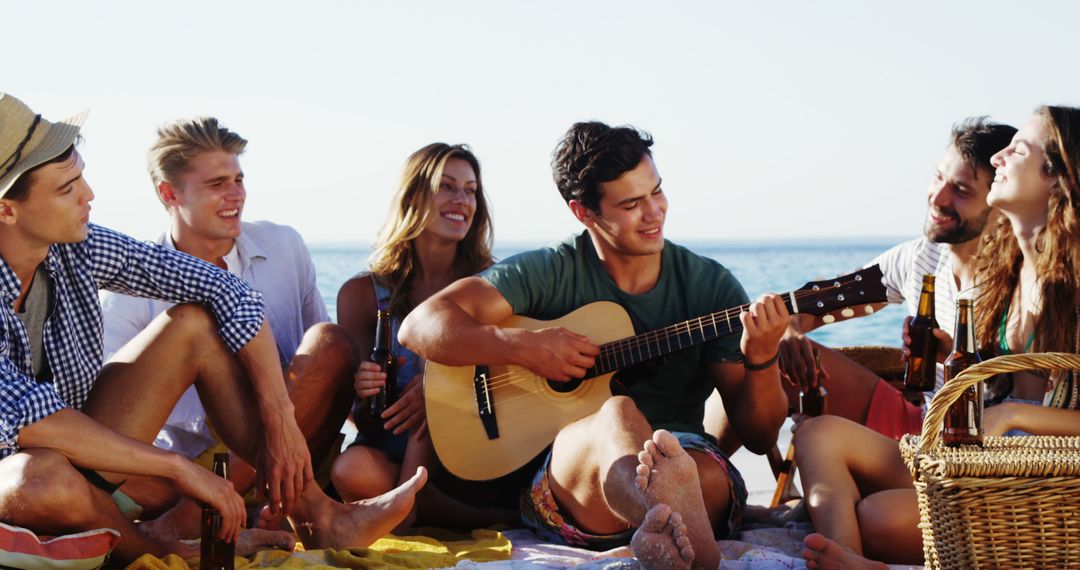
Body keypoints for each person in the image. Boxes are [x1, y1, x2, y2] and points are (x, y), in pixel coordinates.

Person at [0, 93, 424, 564]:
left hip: (85, 456)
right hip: (22, 472)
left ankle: (321, 515)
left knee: (194, 323)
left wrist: (280, 417)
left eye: (81, 177)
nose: (90, 195)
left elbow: (229, 292)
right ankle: (171, 547)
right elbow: (33, 422)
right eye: (66, 188)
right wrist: (181, 470)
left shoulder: (76, 247)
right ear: (8, 210)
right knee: (42, 479)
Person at [398, 121, 789, 569]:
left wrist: (762, 359)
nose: (654, 212)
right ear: (584, 213)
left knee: (681, 459)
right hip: (577, 480)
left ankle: (664, 522)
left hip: (690, 463)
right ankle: (663, 513)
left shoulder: (709, 285)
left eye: (657, 192)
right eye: (631, 203)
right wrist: (523, 347)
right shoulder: (552, 270)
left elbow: (759, 437)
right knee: (616, 414)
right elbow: (420, 324)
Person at [797, 106, 1080, 569]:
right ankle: (848, 560)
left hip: (1044, 494)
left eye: (1018, 149)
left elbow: (1022, 410)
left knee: (874, 517)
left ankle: (852, 556)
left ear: (1058, 180)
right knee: (819, 435)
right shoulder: (1005, 273)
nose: (1000, 157)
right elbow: (1001, 384)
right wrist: (959, 360)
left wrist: (1011, 414)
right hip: (979, 463)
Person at [98, 117, 368, 541]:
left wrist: (368, 403)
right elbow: (111, 426)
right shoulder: (124, 294)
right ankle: (227, 508)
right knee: (105, 470)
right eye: (217, 184)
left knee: (330, 342)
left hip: (288, 441)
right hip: (183, 471)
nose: (236, 195)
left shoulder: (285, 247)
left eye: (239, 179)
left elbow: (324, 366)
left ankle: (231, 510)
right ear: (169, 193)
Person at [704, 118, 1016, 450]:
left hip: (986, 450)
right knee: (761, 357)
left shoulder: (1022, 280)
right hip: (920, 424)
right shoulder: (920, 258)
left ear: (1001, 203)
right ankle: (709, 469)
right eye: (939, 177)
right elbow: (817, 303)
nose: (937, 197)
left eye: (961, 190)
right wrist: (788, 331)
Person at [333, 142, 517, 528]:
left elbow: (515, 376)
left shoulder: (492, 285)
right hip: (390, 452)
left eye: (470, 190)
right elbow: (364, 421)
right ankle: (429, 506)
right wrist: (361, 389)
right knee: (349, 471)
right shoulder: (362, 294)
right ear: (414, 196)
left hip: (466, 451)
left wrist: (443, 387)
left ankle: (405, 508)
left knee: (439, 364)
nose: (461, 200)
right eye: (446, 186)